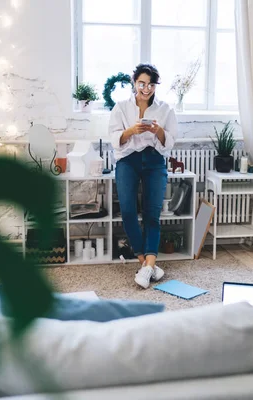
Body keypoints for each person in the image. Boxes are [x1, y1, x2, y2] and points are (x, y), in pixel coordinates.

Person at [109, 63, 178, 289]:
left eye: (150, 84)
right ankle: (146, 264)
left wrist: (157, 130)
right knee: (128, 211)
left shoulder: (165, 109)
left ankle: (148, 265)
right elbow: (113, 139)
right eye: (142, 83)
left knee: (152, 213)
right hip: (128, 160)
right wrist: (131, 131)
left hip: (155, 160)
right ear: (134, 82)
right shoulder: (120, 107)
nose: (146, 89)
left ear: (155, 86)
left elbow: (170, 141)